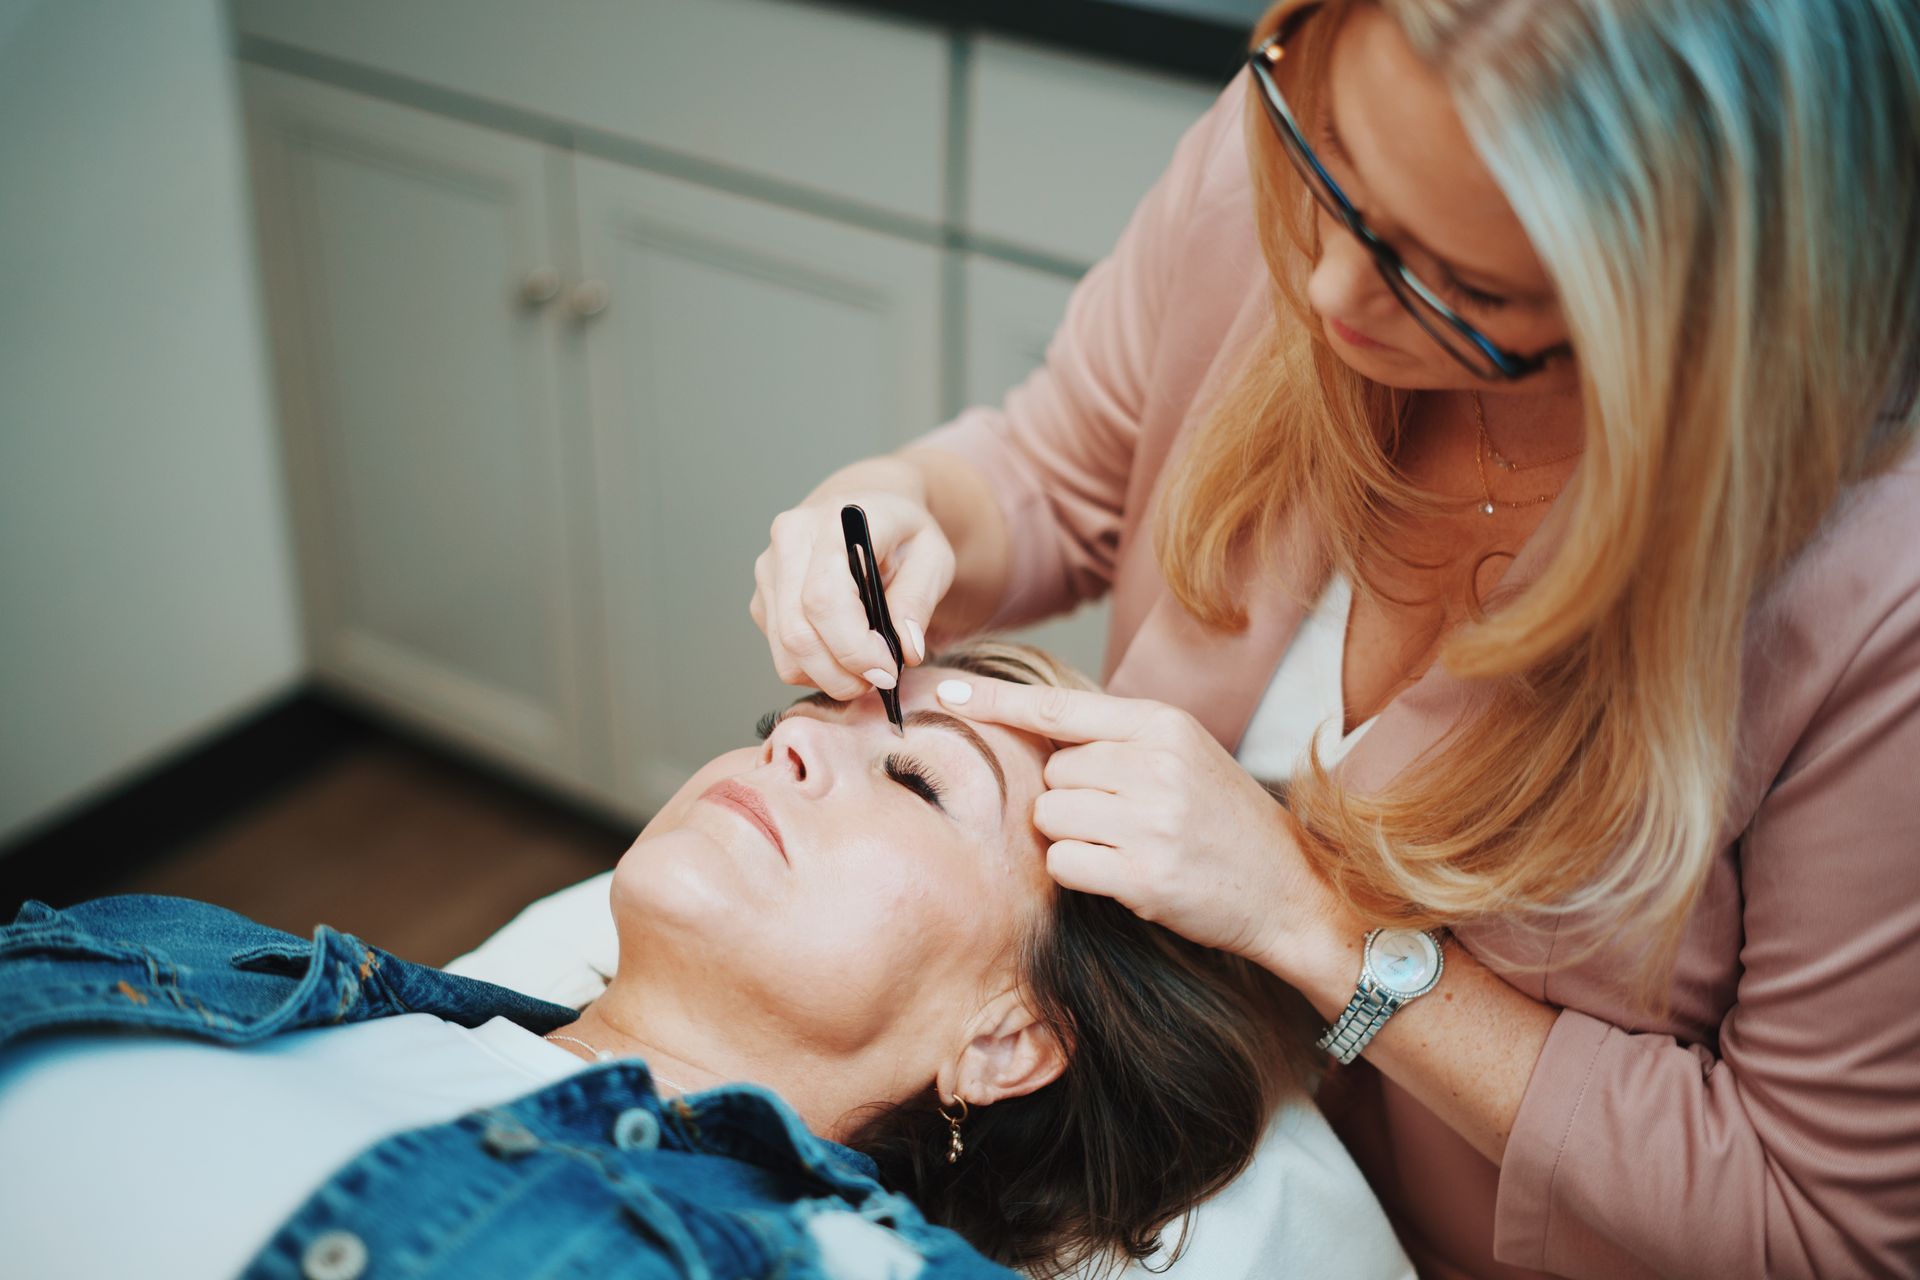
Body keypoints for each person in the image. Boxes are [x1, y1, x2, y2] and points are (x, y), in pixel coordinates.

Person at [749, 1, 1920, 1275]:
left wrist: (1312, 922)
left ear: (1701, 323)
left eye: (1461, 285)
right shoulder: (1311, 145)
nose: (1322, 287)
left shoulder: (1875, 591)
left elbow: (1817, 1222)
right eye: (1334, 172)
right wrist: (904, 502)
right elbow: (1049, 464)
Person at [0, 642, 1405, 1280]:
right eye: (802, 717)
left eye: (915, 781)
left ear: (1001, 1038)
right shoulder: (228, 965)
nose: (787, 738)